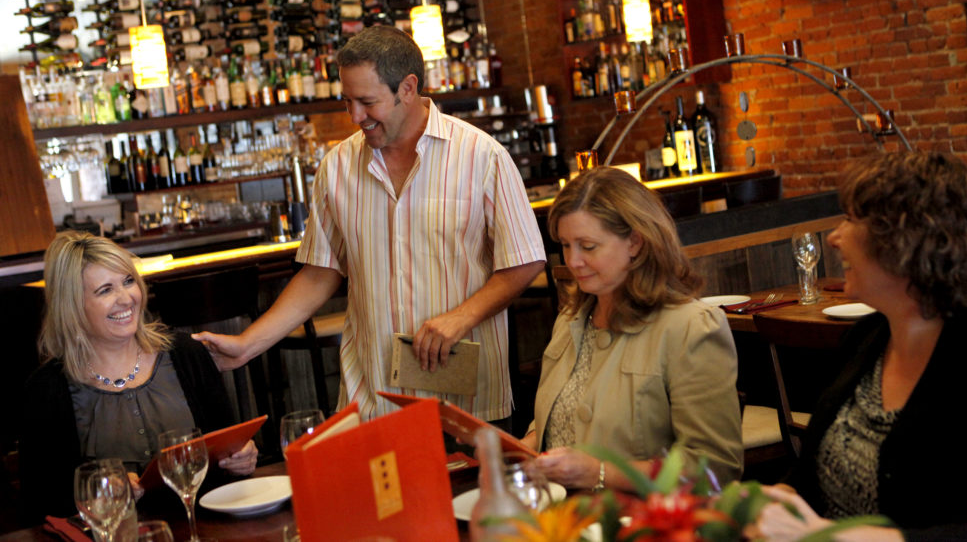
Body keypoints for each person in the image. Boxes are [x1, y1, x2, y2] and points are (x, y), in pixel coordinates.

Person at [195, 26, 545, 422]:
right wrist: (246, 345)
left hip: (462, 392)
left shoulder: (483, 156)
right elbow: (320, 273)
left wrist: (461, 316)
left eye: (367, 102)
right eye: (347, 102)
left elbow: (525, 259)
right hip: (371, 395)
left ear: (408, 88)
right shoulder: (337, 166)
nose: (356, 117)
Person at [756, 151, 967, 540]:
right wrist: (779, 498)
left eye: (850, 219)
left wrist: (830, 535)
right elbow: (816, 469)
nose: (833, 237)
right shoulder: (866, 340)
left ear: (904, 239)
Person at [523, 166, 743, 490]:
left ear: (635, 243)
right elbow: (558, 417)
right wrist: (525, 446)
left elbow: (712, 470)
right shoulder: (571, 317)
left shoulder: (690, 327)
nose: (573, 261)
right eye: (566, 245)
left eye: (588, 246)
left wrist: (600, 472)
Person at [18, 231, 257, 523]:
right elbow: (39, 505)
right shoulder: (46, 391)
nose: (126, 298)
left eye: (128, 281)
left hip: (205, 527)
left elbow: (228, 450)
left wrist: (241, 459)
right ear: (73, 307)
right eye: (105, 290)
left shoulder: (186, 354)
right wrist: (99, 493)